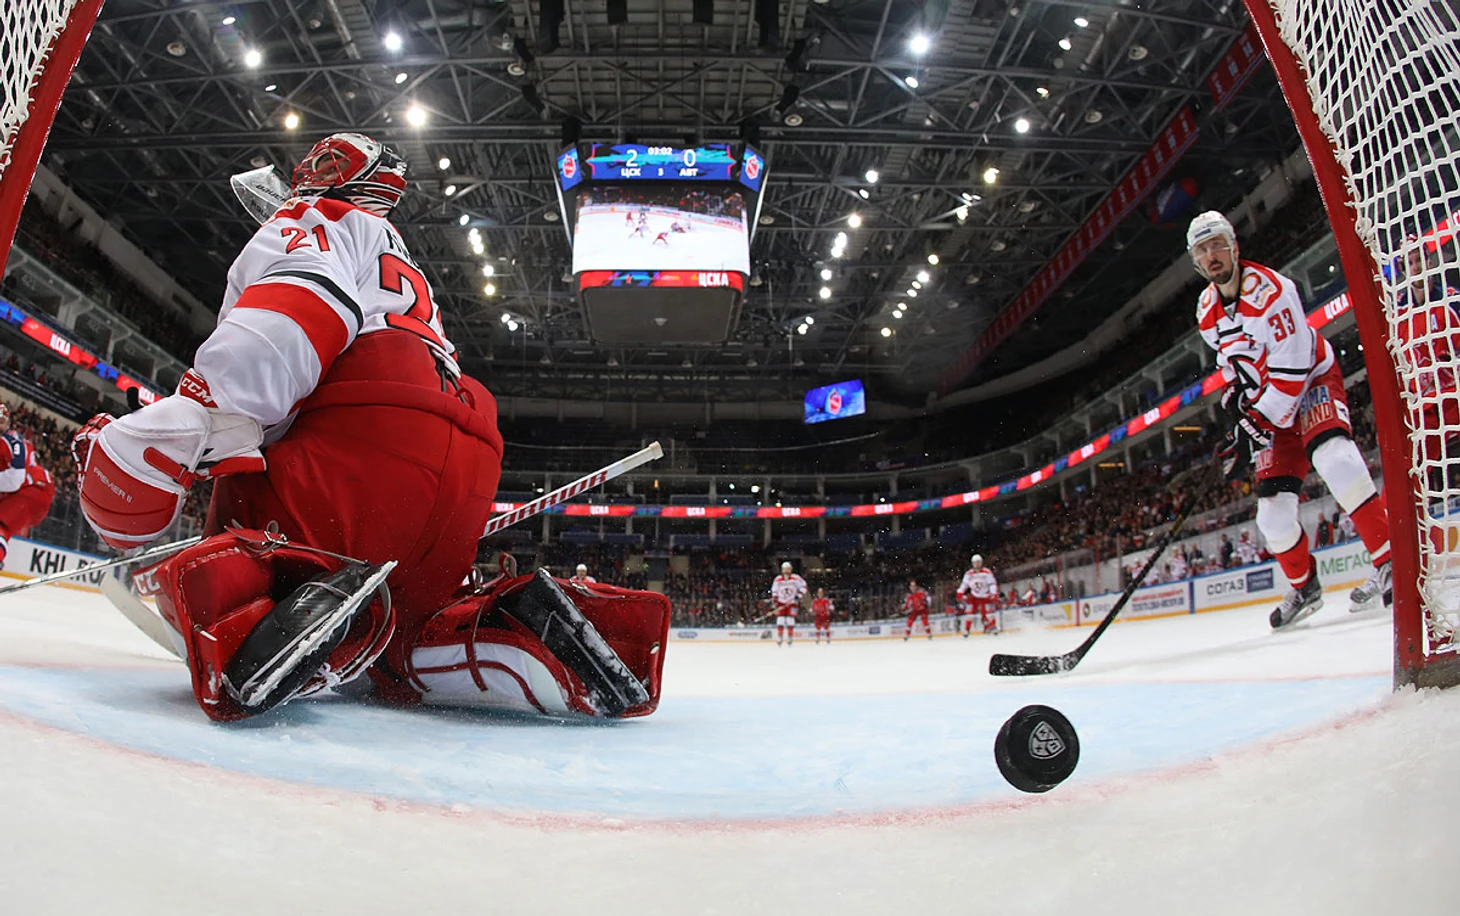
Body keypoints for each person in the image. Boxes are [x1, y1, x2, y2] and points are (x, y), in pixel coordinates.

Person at [70, 132, 670, 722]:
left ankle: (265, 614)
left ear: (336, 174)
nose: (304, 174)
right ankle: (504, 631)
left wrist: (191, 419)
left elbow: (293, 317)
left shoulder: (319, 217)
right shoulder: (402, 260)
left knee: (249, 488)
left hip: (368, 441)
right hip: (463, 459)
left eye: (319, 163)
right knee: (408, 633)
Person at [1190, 210, 1393, 628]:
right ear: (1195, 261)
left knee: (1336, 461)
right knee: (1272, 517)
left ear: (1234, 247)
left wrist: (1255, 422)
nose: (1211, 255)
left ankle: (1392, 560)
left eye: (1217, 245)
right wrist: (1236, 406)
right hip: (1270, 401)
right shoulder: (1206, 309)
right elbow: (1231, 365)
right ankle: (1305, 587)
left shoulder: (1273, 292)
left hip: (1311, 380)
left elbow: (1293, 368)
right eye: (1202, 250)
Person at [0, 404, 56, 567]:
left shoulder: (8, 441)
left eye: (2, 421)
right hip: (33, 491)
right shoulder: (12, 439)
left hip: (33, 490)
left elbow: (15, 479)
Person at [955, 553, 1000, 636]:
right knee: (970, 614)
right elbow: (964, 584)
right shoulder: (969, 574)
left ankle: (993, 627)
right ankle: (967, 629)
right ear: (973, 563)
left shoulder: (987, 572)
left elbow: (992, 583)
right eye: (975, 562)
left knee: (989, 613)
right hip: (974, 596)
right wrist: (960, 592)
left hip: (985, 595)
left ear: (981, 562)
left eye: (978, 562)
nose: (977, 564)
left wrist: (993, 593)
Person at [769, 561, 807, 646]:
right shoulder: (778, 579)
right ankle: (780, 637)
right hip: (781, 603)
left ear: (791, 569)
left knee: (790, 620)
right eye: (784, 569)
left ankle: (790, 637)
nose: (786, 571)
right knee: (780, 620)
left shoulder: (796, 578)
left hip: (792, 603)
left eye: (788, 569)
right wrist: (775, 600)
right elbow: (774, 590)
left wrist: (798, 596)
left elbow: (804, 586)